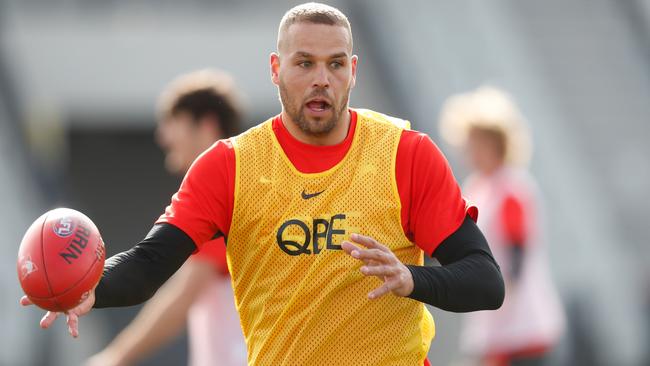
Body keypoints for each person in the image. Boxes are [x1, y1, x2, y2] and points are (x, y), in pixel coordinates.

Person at [21, 3, 505, 365]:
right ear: (276, 70)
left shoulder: (405, 153)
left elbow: (484, 280)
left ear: (353, 72)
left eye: (336, 64)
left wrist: (412, 279)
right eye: (304, 63)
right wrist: (91, 289)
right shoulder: (229, 165)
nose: (322, 79)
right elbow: (150, 262)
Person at [85, 69, 247, 366]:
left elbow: (182, 295)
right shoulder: (234, 184)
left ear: (207, 126)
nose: (162, 136)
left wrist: (115, 358)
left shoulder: (229, 193)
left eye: (174, 122)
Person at [439, 86, 566, 366]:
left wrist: (500, 302)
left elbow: (516, 256)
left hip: (522, 330)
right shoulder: (476, 188)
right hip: (494, 327)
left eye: (476, 143)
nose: (469, 151)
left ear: (497, 143)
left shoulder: (511, 189)